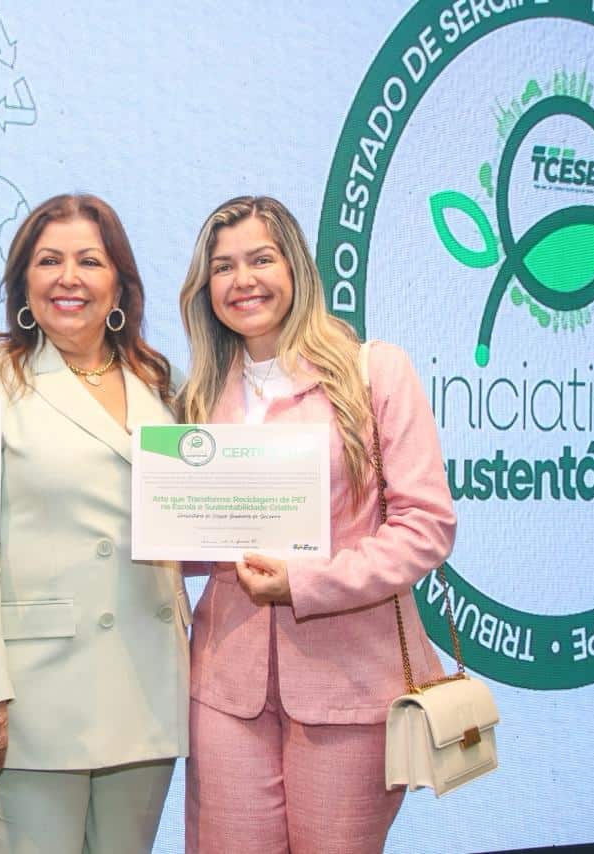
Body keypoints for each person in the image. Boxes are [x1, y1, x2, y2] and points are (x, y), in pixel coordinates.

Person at [176, 196, 456, 854]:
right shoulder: (197, 397)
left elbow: (425, 526)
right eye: (223, 267)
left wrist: (305, 582)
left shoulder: (374, 371)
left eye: (261, 259)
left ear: (296, 268)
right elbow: (192, 545)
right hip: (224, 688)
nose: (243, 280)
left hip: (349, 688)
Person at [0, 194, 189, 853]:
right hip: (28, 697)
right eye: (49, 260)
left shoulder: (160, 382)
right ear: (23, 282)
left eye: (89, 261)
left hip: (146, 689)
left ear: (119, 286)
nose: (68, 277)